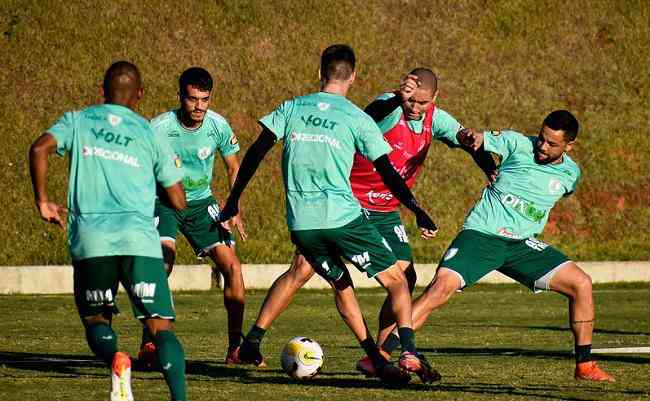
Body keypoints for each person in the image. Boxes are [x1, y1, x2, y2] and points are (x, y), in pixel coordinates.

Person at [234, 68, 497, 378]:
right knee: (301, 270)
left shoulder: (436, 118)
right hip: (351, 201)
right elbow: (366, 114)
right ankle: (253, 338)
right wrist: (399, 98)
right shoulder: (389, 106)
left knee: (404, 276)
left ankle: (381, 354)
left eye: (423, 103)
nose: (415, 107)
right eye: (412, 100)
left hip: (386, 208)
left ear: (434, 99)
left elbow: (468, 141)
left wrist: (489, 169)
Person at [218, 44, 440, 384]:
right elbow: (388, 172)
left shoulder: (291, 107)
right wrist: (417, 209)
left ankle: (374, 362)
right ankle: (408, 350)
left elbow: (256, 152)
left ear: (319, 73)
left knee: (342, 286)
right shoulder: (356, 117)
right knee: (398, 281)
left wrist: (233, 201)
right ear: (352, 76)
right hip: (343, 219)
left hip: (302, 225)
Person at [379, 110, 615, 382]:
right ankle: (379, 357)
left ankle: (584, 365)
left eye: (552, 143)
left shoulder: (570, 174)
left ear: (569, 146)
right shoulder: (517, 143)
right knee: (439, 290)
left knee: (581, 284)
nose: (542, 145)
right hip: (482, 236)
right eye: (541, 138)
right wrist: (472, 137)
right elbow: (482, 139)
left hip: (521, 245)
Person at [29, 61, 188, 401]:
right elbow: (178, 199)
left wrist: (43, 201)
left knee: (97, 319)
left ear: (102, 91)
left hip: (92, 239)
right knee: (161, 327)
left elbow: (39, 148)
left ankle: (117, 359)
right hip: (140, 241)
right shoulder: (150, 133)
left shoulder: (78, 120)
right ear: (140, 95)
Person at [139, 67, 247, 366]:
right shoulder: (158, 128)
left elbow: (233, 166)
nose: (199, 106)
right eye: (192, 99)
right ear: (180, 97)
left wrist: (234, 205)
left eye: (205, 99)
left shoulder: (218, 126)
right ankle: (149, 342)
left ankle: (235, 349)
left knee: (233, 268)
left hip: (203, 205)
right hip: (164, 203)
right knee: (163, 264)